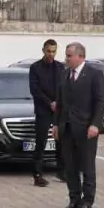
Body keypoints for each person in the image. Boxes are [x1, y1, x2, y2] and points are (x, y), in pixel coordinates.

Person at [51, 43, 104, 208]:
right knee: (70, 167)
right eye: (66, 55)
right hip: (66, 128)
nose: (65, 58)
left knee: (87, 167)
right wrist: (55, 124)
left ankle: (87, 202)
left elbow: (100, 101)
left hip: (86, 128)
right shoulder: (64, 75)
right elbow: (59, 103)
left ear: (80, 56)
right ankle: (74, 200)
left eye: (69, 55)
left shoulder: (94, 75)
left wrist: (95, 124)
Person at [28, 39, 64, 187]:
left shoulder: (60, 67)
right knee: (41, 142)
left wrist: (59, 103)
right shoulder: (35, 68)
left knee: (60, 141)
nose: (51, 54)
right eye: (49, 51)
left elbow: (64, 88)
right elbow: (35, 90)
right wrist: (50, 103)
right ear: (43, 50)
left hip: (58, 110)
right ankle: (37, 175)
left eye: (54, 51)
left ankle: (62, 172)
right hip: (43, 110)